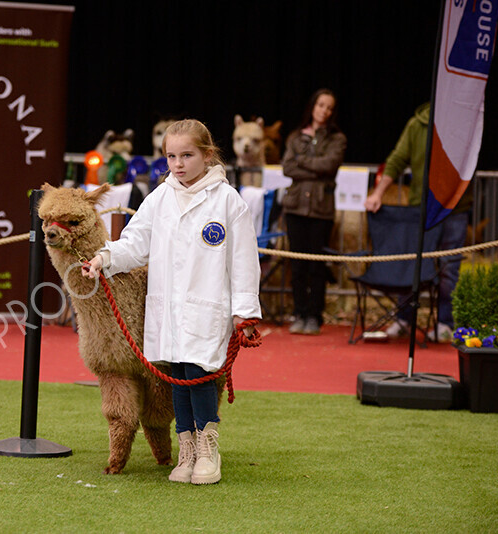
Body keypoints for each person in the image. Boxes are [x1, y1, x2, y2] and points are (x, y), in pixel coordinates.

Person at [82, 119, 261, 485]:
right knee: (176, 377)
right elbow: (135, 242)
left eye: (187, 155)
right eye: (171, 156)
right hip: (167, 309)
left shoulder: (229, 202)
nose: (178, 164)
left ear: (208, 155)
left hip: (208, 306)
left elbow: (244, 261)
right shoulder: (160, 198)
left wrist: (245, 312)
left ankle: (208, 450)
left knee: (199, 375)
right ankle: (187, 450)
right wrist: (105, 258)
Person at [364, 103, 471, 343]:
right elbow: (398, 159)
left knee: (448, 268)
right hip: (420, 209)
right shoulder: (417, 124)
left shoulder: (466, 123)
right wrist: (378, 193)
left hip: (455, 209)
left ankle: (445, 323)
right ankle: (404, 319)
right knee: (410, 264)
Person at [281, 89, 347, 335]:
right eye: (321, 105)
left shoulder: (337, 138)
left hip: (321, 210)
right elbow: (287, 167)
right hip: (295, 207)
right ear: (313, 106)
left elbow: (330, 165)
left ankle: (314, 316)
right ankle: (299, 313)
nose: (324, 110)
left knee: (317, 265)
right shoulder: (296, 136)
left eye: (329, 107)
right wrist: (314, 169)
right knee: (297, 264)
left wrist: (302, 162)